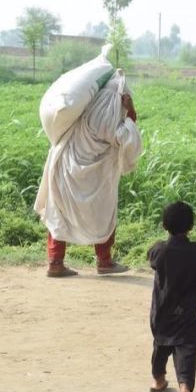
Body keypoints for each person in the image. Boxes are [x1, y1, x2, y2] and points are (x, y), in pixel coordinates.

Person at [35, 74, 142, 277]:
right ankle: (104, 261)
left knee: (60, 212)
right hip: (95, 175)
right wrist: (130, 112)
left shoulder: (87, 106)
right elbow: (123, 138)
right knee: (102, 213)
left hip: (66, 165)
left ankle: (55, 262)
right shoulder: (108, 110)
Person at [147, 201, 196, 392]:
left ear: (164, 225)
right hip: (187, 315)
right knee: (187, 351)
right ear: (191, 227)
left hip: (162, 314)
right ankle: (185, 387)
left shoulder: (159, 250)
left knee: (160, 348)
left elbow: (151, 260)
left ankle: (158, 380)